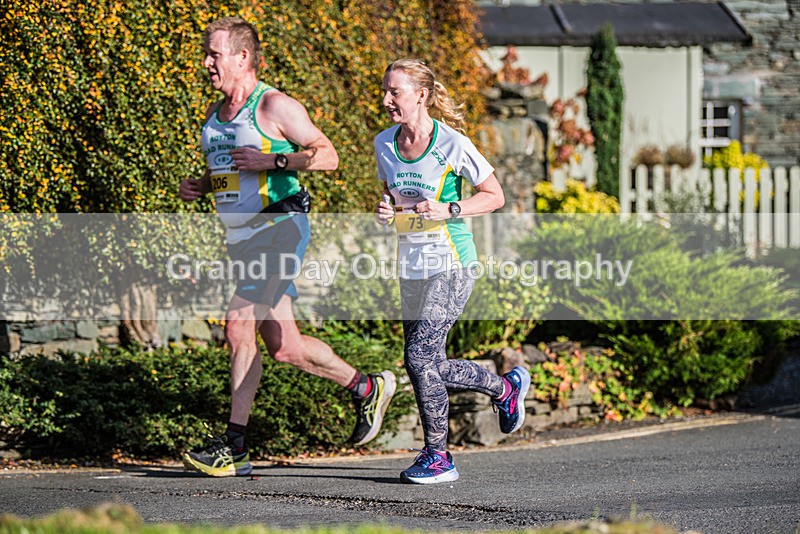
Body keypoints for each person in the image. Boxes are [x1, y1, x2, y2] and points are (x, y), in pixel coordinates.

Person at [179, 17, 396, 477]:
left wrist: (274, 159)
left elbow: (328, 154)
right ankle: (365, 387)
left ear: (243, 57)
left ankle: (233, 447)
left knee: (239, 325)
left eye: (214, 54)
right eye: (206, 54)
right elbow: (232, 175)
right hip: (243, 241)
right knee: (284, 346)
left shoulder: (273, 105)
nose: (206, 63)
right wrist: (201, 185)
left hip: (280, 225)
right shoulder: (215, 118)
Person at [373, 59, 530, 484]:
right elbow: (393, 198)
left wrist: (450, 208)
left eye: (395, 92)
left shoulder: (451, 143)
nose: (386, 100)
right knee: (423, 362)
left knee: (419, 357)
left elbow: (494, 195)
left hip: (452, 262)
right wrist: (387, 211)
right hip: (411, 264)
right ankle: (504, 389)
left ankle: (439, 458)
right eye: (385, 91)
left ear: (420, 95)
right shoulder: (383, 143)